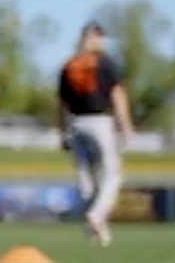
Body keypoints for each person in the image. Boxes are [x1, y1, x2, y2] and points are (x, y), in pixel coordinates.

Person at [57, 20, 134, 246]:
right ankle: (97, 215)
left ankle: (98, 228)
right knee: (112, 173)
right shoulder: (105, 62)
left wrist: (62, 131)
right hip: (100, 121)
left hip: (76, 123)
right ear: (94, 38)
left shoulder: (68, 65)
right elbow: (117, 94)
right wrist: (126, 124)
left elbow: (60, 104)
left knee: (85, 176)